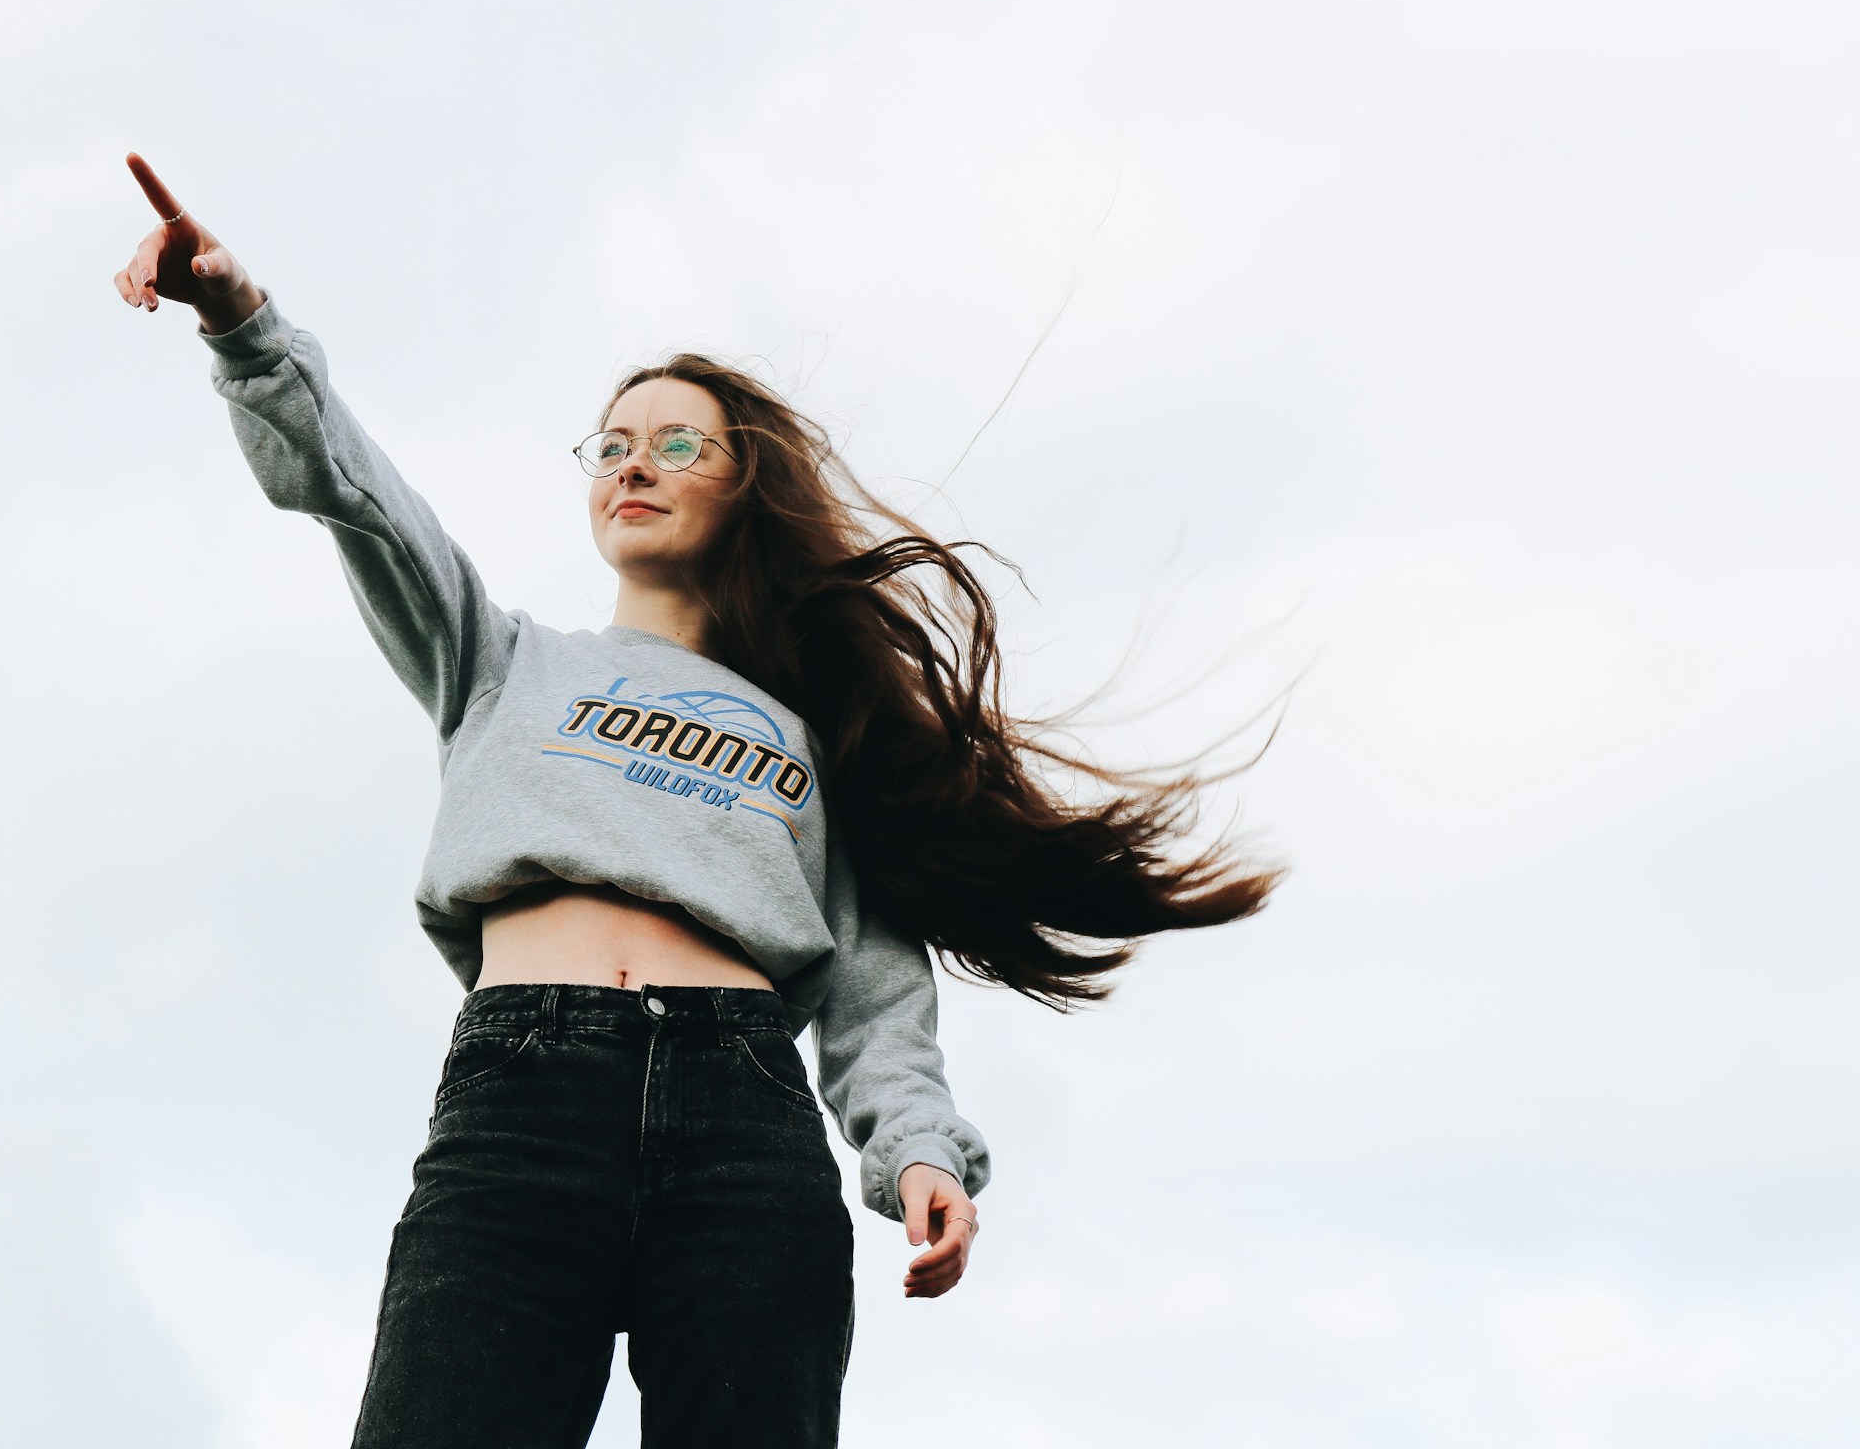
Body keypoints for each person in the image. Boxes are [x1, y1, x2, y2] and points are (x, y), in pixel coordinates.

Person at [111, 153, 1280, 1448]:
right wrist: (243, 323)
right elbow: (358, 500)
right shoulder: (502, 660)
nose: (634, 464)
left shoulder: (817, 739)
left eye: (675, 443)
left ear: (743, 483)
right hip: (522, 1097)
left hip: (745, 1122)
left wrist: (920, 1151)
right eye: (611, 446)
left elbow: (876, 991)